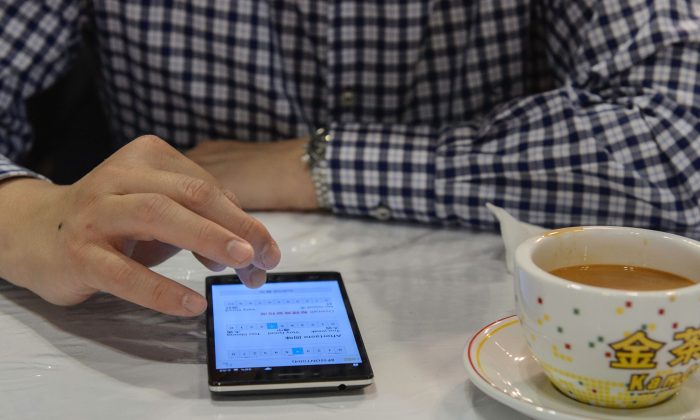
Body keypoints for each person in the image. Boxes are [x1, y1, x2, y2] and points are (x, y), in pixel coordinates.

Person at [1, 1, 699, 314]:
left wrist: (317, 163)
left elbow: (677, 138)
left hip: (482, 326)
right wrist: (28, 214)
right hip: (157, 330)